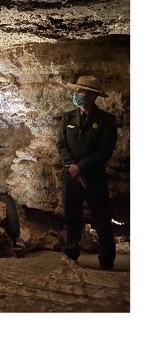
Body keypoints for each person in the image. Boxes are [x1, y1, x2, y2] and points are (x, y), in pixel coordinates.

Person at [57, 74, 118, 270]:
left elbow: (105, 151)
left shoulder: (106, 120)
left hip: (94, 177)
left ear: (92, 96)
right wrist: (72, 167)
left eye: (81, 91)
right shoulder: (68, 117)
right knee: (72, 216)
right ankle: (71, 253)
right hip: (71, 176)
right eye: (76, 90)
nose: (77, 94)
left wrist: (81, 168)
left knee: (101, 218)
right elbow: (62, 145)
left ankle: (107, 260)